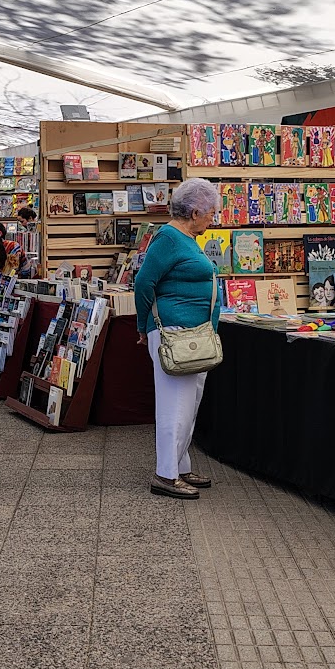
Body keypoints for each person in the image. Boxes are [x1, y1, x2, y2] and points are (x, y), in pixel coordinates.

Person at [134, 177, 222, 500]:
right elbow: (144, 283)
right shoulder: (169, 238)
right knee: (175, 406)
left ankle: (180, 466)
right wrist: (144, 327)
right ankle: (166, 475)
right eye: (210, 212)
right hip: (174, 334)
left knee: (189, 405)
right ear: (195, 210)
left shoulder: (185, 238)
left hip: (191, 335)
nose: (212, 219)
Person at [16, 205, 41, 271]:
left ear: (30, 218)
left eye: (22, 221)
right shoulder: (25, 231)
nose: (21, 224)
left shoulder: (39, 230)